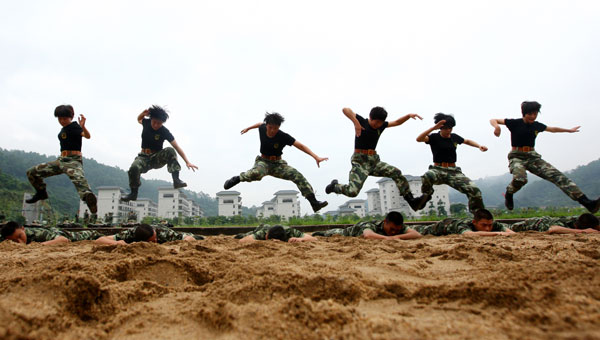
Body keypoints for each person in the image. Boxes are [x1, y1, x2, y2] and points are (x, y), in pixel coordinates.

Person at [490, 101, 600, 212]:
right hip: (516, 156)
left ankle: (587, 202)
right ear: (524, 113)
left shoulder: (537, 125)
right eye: (530, 114)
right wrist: (497, 127)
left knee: (559, 177)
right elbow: (493, 120)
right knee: (520, 179)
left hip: (533, 157)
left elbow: (553, 129)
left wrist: (569, 130)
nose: (533, 117)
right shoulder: (515, 123)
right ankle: (509, 193)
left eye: (535, 114)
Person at [223, 112, 328, 212]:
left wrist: (316, 157)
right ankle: (237, 178)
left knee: (297, 176)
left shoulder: (283, 136)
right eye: (270, 128)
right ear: (267, 125)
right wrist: (248, 128)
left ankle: (314, 203)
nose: (272, 131)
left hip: (278, 164)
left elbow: (300, 146)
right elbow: (260, 124)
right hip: (263, 162)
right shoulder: (262, 128)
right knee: (256, 173)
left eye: (276, 128)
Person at [325, 107, 423, 210]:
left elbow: (397, 122)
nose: (378, 125)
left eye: (381, 123)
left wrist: (408, 116)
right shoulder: (362, 121)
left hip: (374, 162)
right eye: (376, 122)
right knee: (352, 192)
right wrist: (356, 123)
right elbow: (345, 109)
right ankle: (335, 186)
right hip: (360, 162)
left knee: (396, 172)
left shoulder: (381, 126)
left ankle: (412, 201)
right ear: (370, 117)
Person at [25, 105, 97, 214]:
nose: (62, 121)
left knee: (79, 179)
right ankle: (41, 192)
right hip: (61, 160)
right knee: (32, 172)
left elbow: (87, 136)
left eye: (64, 118)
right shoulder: (63, 129)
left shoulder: (75, 127)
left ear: (71, 117)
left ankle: (89, 198)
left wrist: (83, 127)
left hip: (73, 161)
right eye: (60, 119)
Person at [122, 106, 198, 201]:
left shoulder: (164, 131)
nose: (156, 125)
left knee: (170, 150)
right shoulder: (146, 123)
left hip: (156, 157)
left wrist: (187, 162)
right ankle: (133, 193)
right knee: (134, 167)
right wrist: (143, 113)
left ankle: (176, 180)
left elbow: (177, 147)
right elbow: (139, 119)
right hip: (143, 157)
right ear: (151, 119)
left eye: (159, 123)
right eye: (154, 122)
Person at [415, 113, 487, 212]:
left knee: (475, 190)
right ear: (440, 128)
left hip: (453, 171)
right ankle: (426, 195)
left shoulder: (454, 137)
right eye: (446, 128)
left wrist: (479, 146)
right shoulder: (434, 137)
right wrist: (433, 128)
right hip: (438, 170)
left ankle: (479, 215)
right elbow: (419, 139)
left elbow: (467, 141)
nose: (448, 130)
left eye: (450, 128)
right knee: (428, 175)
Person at [312, 211, 421, 240]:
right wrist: (388, 238)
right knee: (323, 234)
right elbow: (368, 235)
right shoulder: (371, 225)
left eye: (396, 230)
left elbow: (416, 234)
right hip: (347, 233)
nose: (393, 232)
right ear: (385, 222)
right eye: (391, 229)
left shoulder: (398, 229)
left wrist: (397, 236)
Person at [413, 209, 514, 236]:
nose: (487, 229)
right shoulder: (463, 225)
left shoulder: (492, 224)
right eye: (483, 225)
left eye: (489, 225)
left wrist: (504, 232)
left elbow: (512, 233)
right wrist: (498, 233)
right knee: (418, 230)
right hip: (441, 226)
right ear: (475, 222)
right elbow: (469, 235)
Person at [0, 221, 103, 244]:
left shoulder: (38, 234)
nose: (19, 241)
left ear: (23, 229)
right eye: (14, 241)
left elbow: (63, 240)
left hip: (84, 236)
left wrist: (38, 246)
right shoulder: (5, 239)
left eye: (20, 236)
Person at [95, 224, 204, 244]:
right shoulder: (130, 234)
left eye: (155, 239)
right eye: (152, 242)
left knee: (199, 238)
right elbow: (100, 239)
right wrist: (117, 243)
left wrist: (178, 246)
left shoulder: (163, 234)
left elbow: (189, 238)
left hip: (184, 235)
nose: (155, 242)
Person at [509, 213, 599, 234]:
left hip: (539, 221)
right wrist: (585, 231)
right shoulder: (561, 225)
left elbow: (590, 220)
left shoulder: (577, 219)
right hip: (523, 226)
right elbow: (554, 229)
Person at [235, 224, 317, 243]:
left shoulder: (289, 231)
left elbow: (314, 239)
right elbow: (242, 241)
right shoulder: (264, 232)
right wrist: (263, 242)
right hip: (261, 228)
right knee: (244, 235)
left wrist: (300, 239)